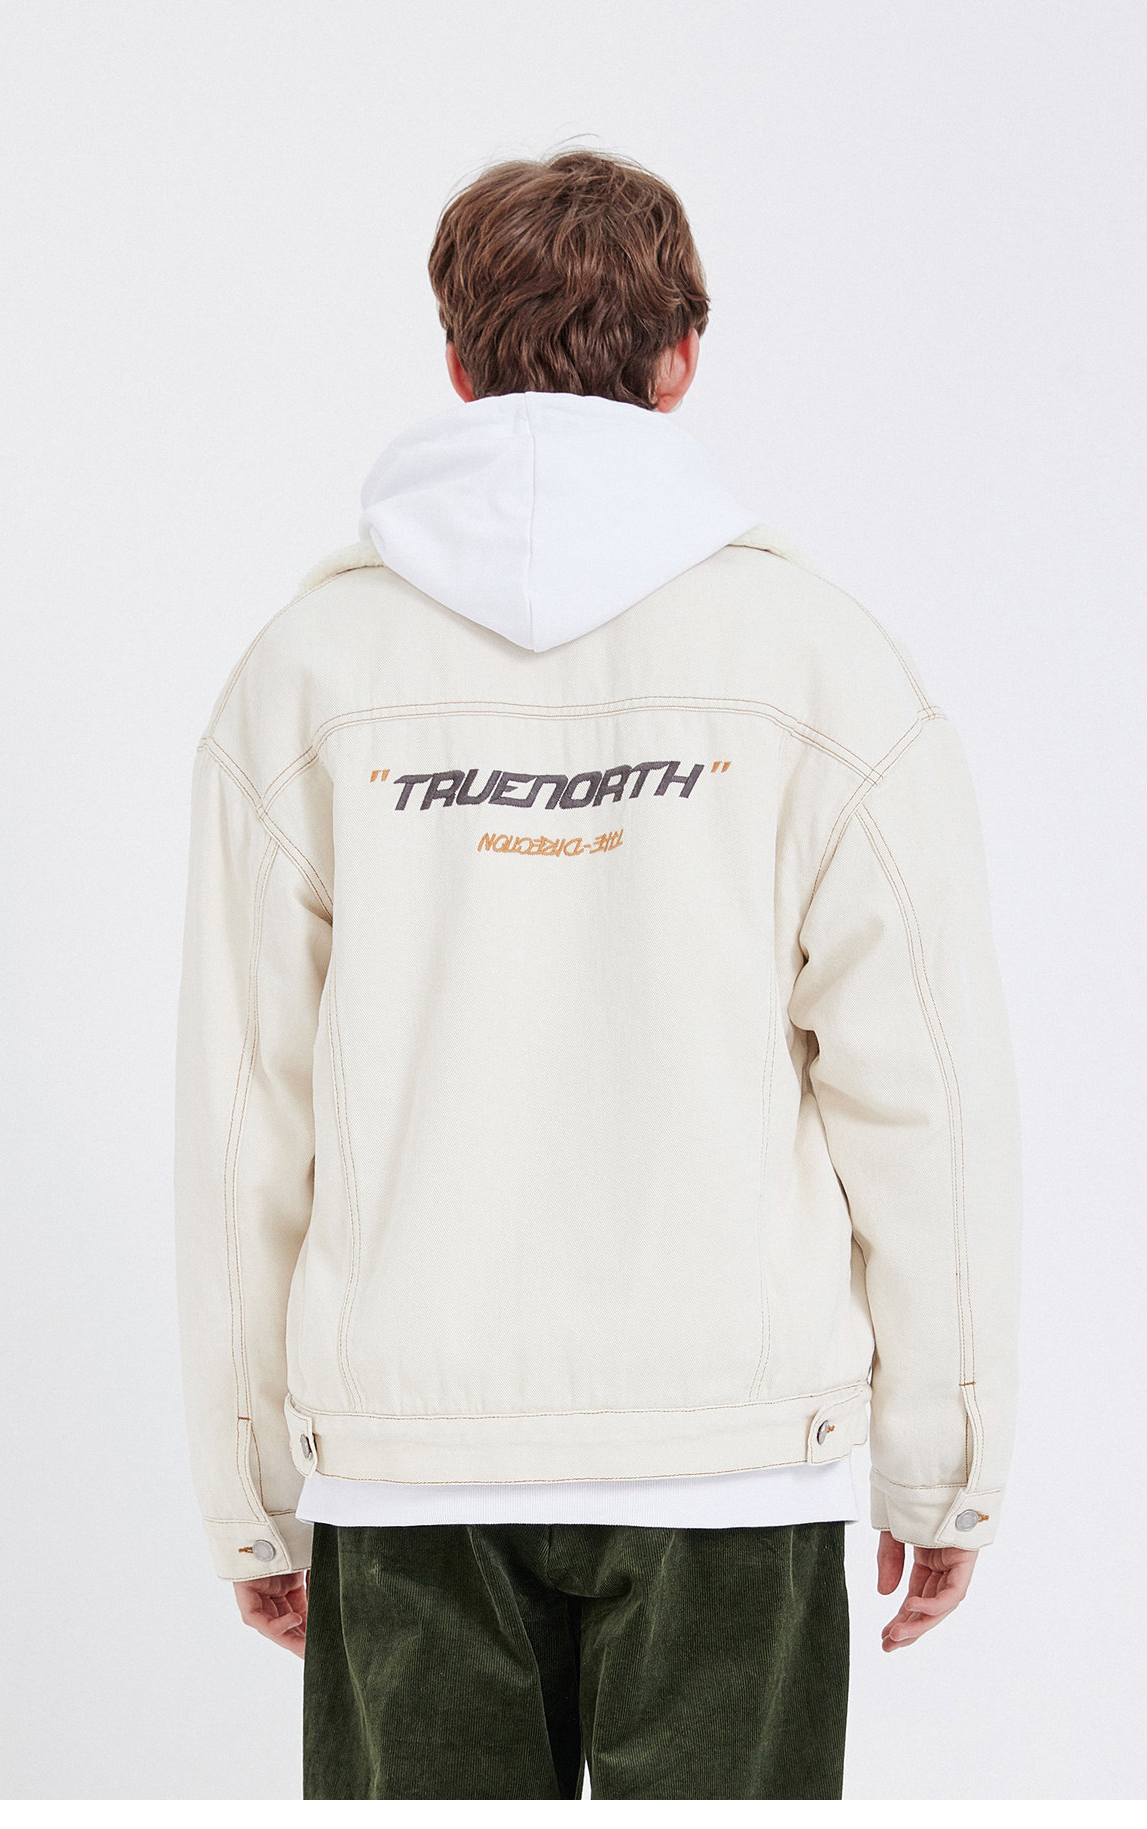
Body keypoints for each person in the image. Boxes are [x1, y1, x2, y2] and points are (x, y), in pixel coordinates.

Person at [173, 148, 1021, 1801]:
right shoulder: (821, 665)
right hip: (734, 1459)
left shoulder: (307, 676)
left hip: (411, 1466)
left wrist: (254, 1490)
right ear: (682, 359)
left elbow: (240, 1124)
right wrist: (947, 1461)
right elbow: (928, 1098)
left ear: (456, 364)